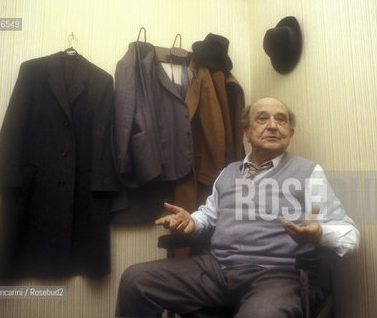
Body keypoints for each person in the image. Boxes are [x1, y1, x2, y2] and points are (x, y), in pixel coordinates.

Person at [115, 97, 360, 318]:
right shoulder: (228, 172)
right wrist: (191, 222)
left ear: (290, 132)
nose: (273, 125)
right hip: (216, 269)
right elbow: (210, 215)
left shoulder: (309, 173)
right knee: (136, 280)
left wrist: (319, 235)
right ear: (247, 131)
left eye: (281, 120)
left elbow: (349, 234)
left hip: (277, 276)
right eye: (262, 119)